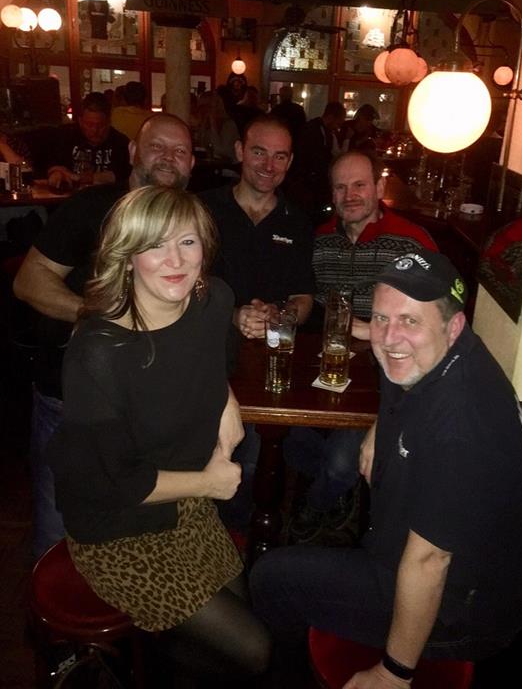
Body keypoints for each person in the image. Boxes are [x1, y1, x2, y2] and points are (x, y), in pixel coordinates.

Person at [250, 250, 522, 687]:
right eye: (381, 318)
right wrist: (379, 427)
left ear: (453, 326)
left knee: (272, 578)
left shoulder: (463, 426)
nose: (390, 338)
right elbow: (395, 370)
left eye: (410, 320)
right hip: (417, 556)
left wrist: (393, 673)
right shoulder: (441, 353)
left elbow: (429, 562)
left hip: (461, 610)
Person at [46, 186, 271, 684]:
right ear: (127, 257)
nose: (176, 260)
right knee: (254, 650)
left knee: (243, 607)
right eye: (155, 245)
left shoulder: (214, 300)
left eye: (187, 242)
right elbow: (117, 483)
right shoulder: (98, 354)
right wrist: (210, 484)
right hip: (119, 524)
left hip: (187, 504)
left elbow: (213, 362)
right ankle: (134, 664)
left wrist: (227, 401)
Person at [13, 113, 195, 560]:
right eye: (157, 147)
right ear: (132, 152)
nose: (168, 158)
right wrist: (95, 316)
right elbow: (28, 280)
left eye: (180, 151)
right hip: (71, 400)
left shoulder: (191, 223)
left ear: (192, 163)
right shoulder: (92, 207)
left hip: (148, 411)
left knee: (132, 538)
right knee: (60, 534)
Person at [285, 151, 438, 544]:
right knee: (288, 439)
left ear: (379, 187)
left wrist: (375, 330)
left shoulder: (412, 241)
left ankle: (318, 501)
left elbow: (439, 314)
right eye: (341, 186)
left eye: (359, 185)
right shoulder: (317, 240)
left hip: (387, 370)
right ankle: (340, 490)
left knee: (340, 460)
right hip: (326, 363)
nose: (350, 195)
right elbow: (303, 297)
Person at [201, 115, 315, 529]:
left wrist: (279, 318)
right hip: (206, 359)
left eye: (280, 156)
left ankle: (232, 542)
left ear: (291, 162)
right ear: (239, 152)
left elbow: (305, 298)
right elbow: (181, 285)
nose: (269, 165)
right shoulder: (203, 208)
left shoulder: (297, 221)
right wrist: (232, 315)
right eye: (259, 152)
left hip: (268, 366)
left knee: (248, 466)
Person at [45, 92, 131, 190]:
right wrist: (56, 173)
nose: (95, 130)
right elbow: (52, 165)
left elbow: (122, 174)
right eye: (89, 125)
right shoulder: (66, 136)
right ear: (80, 121)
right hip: (69, 196)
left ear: (108, 122)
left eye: (100, 125)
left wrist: (87, 178)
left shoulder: (120, 143)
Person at [290, 101, 346, 218]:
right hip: (307, 183)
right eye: (337, 123)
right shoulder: (312, 130)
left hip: (313, 182)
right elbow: (313, 158)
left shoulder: (325, 132)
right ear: (331, 117)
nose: (337, 127)